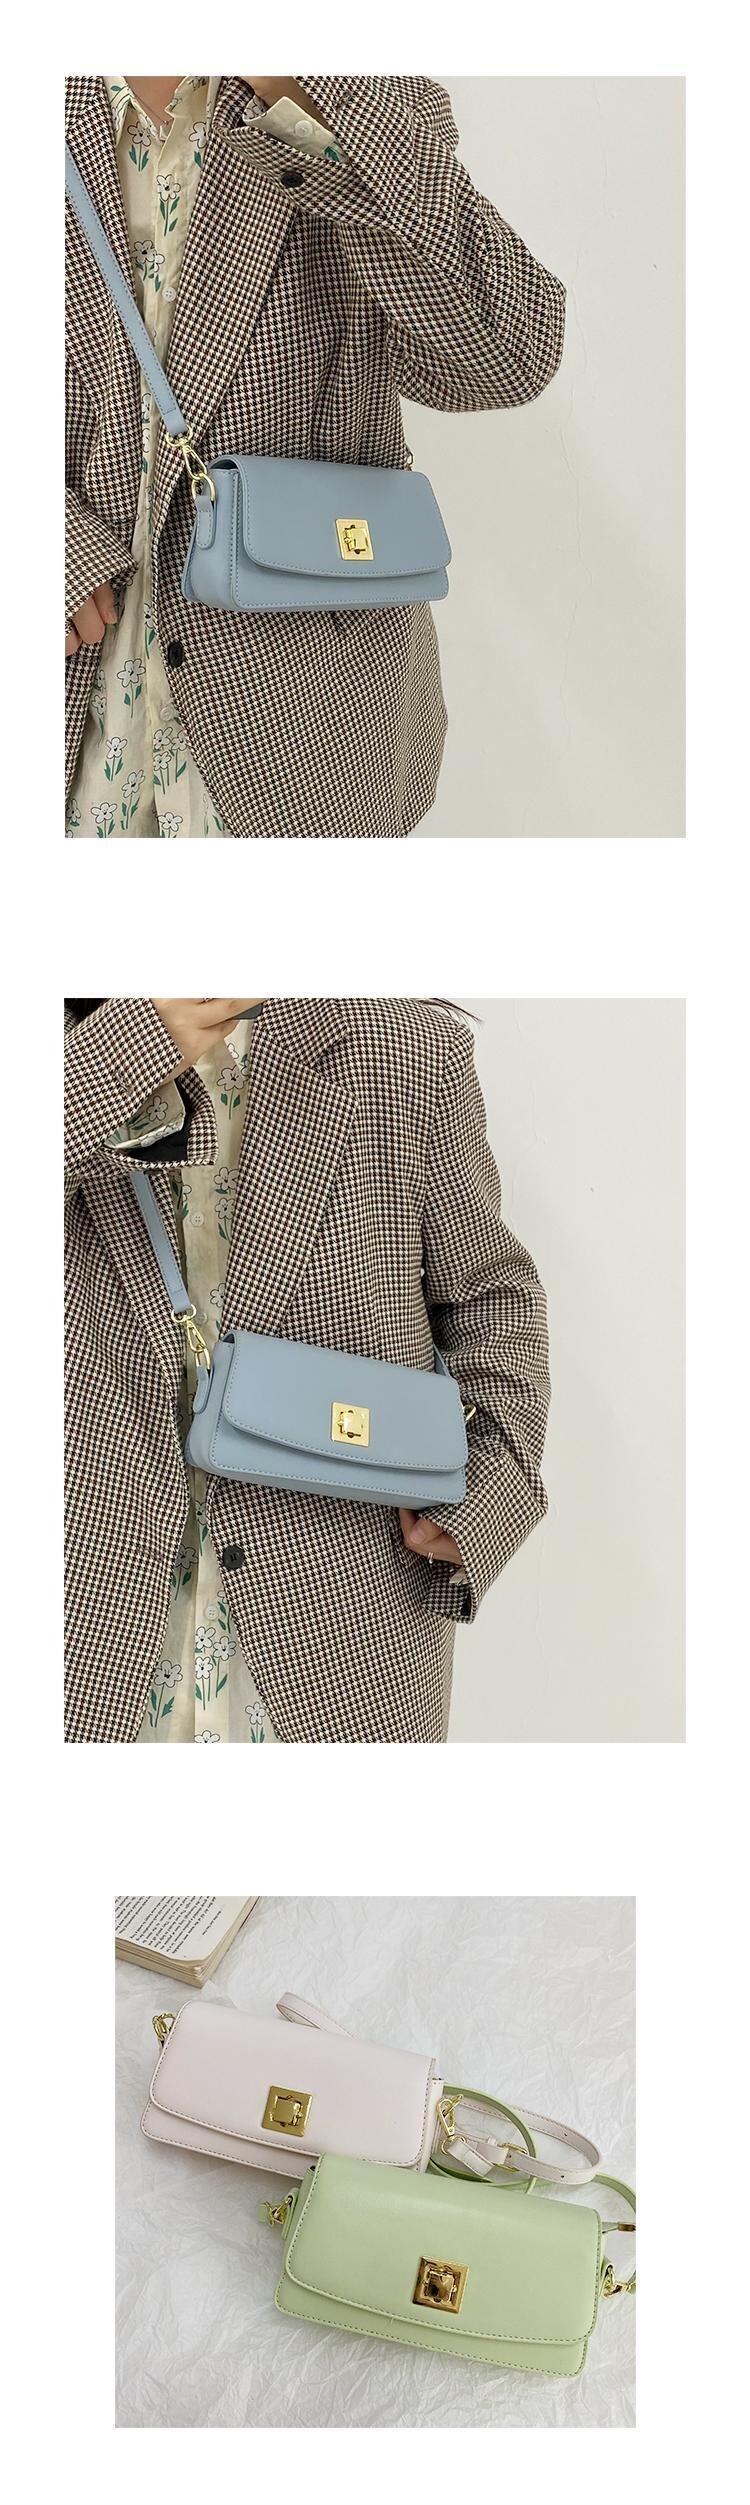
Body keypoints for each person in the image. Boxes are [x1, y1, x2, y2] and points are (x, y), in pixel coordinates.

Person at [65, 76, 565, 839]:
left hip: (304, 734)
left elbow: (505, 357)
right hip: (79, 715)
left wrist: (307, 92)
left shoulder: (362, 95)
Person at [64, 997, 550, 1742]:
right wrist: (119, 1054)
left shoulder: (400, 1050)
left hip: (345, 1625)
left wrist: (484, 1499)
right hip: (86, 1626)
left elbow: (492, 1297)